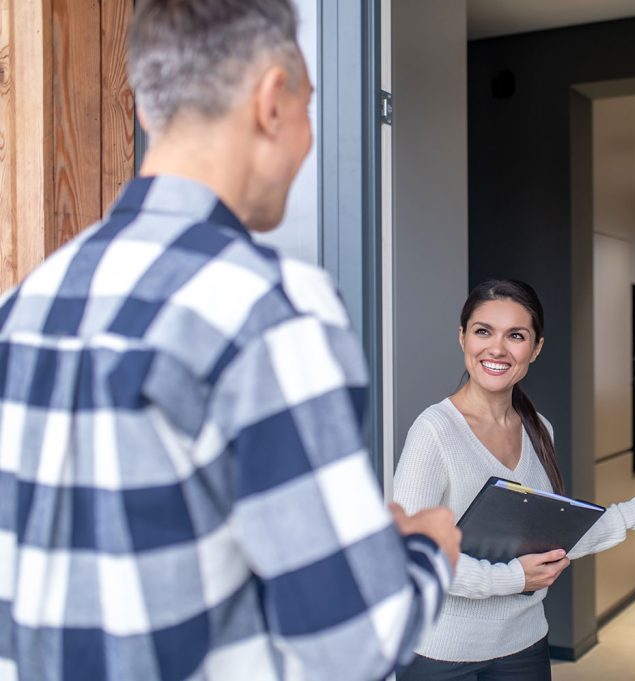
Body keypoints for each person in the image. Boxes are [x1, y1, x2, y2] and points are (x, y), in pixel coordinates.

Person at [0, 1, 460, 679]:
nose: (310, 141)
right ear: (273, 100)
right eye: (309, 107)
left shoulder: (26, 303)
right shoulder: (270, 309)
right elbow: (357, 641)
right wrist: (428, 548)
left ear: (151, 111)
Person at [393, 279, 635, 680]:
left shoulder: (538, 428)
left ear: (536, 347)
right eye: (483, 331)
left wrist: (627, 517)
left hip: (523, 645)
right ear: (462, 338)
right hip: (441, 653)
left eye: (516, 335)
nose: (497, 348)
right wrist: (514, 577)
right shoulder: (435, 431)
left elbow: (545, 539)